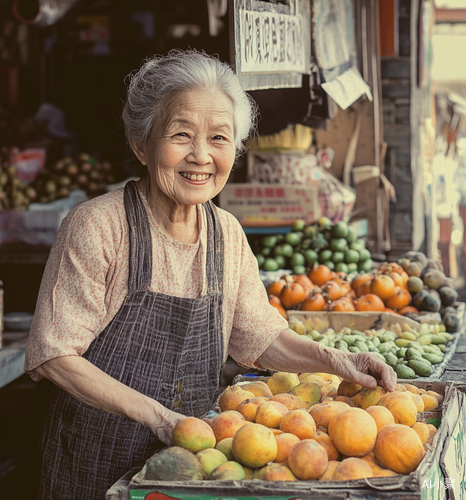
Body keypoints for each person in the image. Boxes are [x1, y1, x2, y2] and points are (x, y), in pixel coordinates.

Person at [24, 49, 396, 499]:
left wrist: (337, 360)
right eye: (181, 134)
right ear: (141, 144)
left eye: (219, 138)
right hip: (95, 464)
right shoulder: (99, 226)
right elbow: (55, 354)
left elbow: (261, 337)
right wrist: (160, 418)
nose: (200, 155)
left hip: (195, 469)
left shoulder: (226, 233)